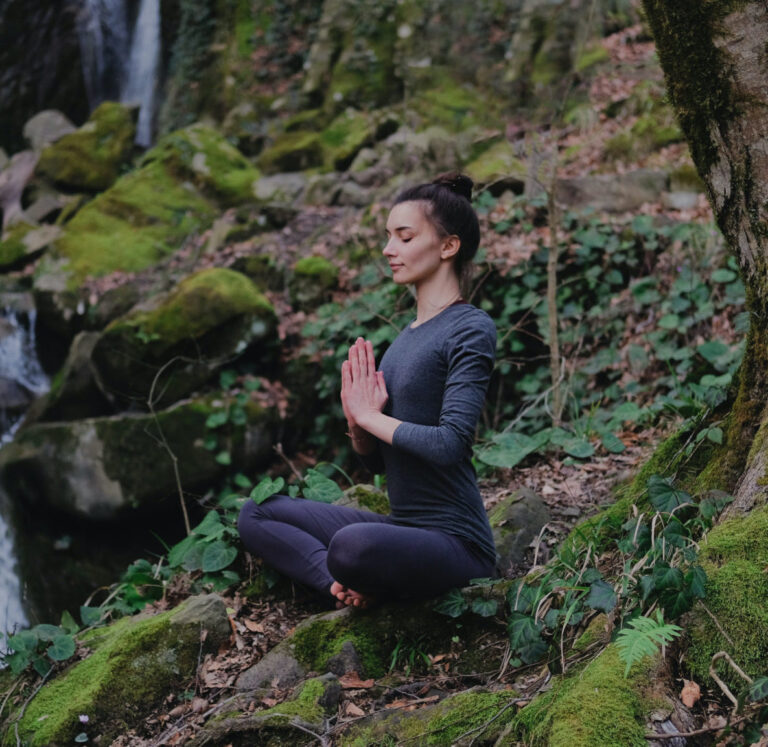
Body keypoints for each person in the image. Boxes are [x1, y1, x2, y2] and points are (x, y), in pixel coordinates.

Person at [237, 172, 498, 608]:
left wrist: (371, 416)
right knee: (256, 513)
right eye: (387, 236)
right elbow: (379, 461)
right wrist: (357, 425)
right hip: (403, 528)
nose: (388, 249)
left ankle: (354, 573)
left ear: (448, 246)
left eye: (404, 236)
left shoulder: (470, 327)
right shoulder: (402, 341)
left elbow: (451, 444)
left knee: (350, 546)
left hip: (457, 543)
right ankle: (343, 587)